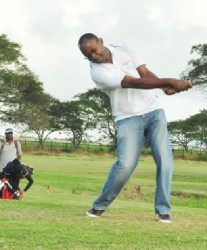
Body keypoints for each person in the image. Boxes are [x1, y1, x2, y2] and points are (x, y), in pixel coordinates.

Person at [78, 33, 192, 223]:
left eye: (94, 51)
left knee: (165, 158)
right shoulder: (98, 73)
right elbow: (136, 82)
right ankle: (100, 206)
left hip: (154, 111)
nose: (93, 57)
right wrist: (170, 81)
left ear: (101, 42)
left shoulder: (123, 46)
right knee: (125, 165)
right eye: (88, 56)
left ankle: (163, 210)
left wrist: (165, 87)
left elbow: (145, 74)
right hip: (127, 118)